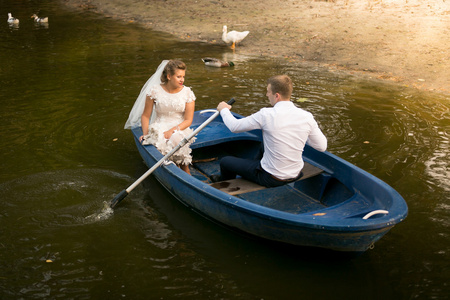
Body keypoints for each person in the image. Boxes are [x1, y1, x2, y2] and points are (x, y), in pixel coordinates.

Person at [216, 74, 327, 187]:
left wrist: (224, 110)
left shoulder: (266, 114)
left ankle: (223, 184)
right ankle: (252, 169)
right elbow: (322, 146)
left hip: (271, 178)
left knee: (225, 162)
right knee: (265, 144)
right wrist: (301, 134)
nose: (267, 94)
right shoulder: (307, 116)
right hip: (296, 174)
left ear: (277, 95)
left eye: (268, 91)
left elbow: (234, 127)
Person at [124, 60, 196, 174]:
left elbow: (188, 120)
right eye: (178, 76)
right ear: (169, 76)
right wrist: (146, 134)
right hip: (160, 126)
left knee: (176, 138)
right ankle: (173, 168)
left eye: (183, 76)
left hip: (179, 127)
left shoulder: (187, 93)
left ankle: (185, 169)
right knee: (162, 139)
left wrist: (172, 130)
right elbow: (145, 116)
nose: (182, 80)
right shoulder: (155, 91)